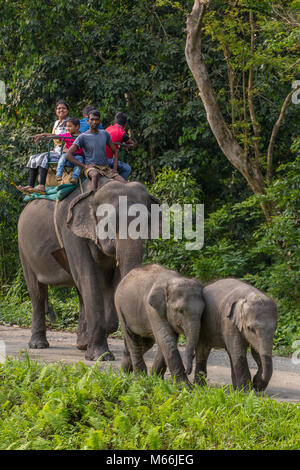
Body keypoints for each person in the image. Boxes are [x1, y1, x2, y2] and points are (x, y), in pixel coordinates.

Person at [17, 100, 70, 194]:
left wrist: (47, 136)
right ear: (56, 111)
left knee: (44, 157)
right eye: (58, 108)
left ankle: (42, 185)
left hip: (63, 151)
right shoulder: (57, 122)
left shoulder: (69, 123)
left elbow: (66, 136)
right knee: (33, 157)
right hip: (55, 150)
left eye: (63, 108)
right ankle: (30, 185)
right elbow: (53, 135)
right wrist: (42, 135)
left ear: (67, 110)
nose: (61, 110)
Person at [66, 110, 125, 192]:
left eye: (96, 119)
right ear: (88, 121)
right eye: (92, 119)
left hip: (105, 168)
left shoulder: (105, 134)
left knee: (123, 182)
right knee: (95, 175)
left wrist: (114, 168)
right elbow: (68, 155)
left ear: (99, 121)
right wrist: (84, 166)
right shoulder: (83, 136)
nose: (94, 122)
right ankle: (92, 195)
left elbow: (115, 150)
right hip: (91, 168)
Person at [105, 112, 134, 180]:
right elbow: (132, 144)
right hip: (108, 160)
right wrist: (127, 145)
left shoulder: (108, 128)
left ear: (115, 121)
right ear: (126, 124)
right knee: (127, 169)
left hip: (99, 158)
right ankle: (118, 183)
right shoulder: (122, 134)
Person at [55, 117, 84, 184]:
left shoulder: (82, 136)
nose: (67, 128)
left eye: (70, 126)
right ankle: (58, 174)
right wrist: (44, 134)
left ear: (77, 127)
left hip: (77, 156)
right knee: (62, 157)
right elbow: (56, 136)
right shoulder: (67, 135)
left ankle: (74, 177)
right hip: (68, 157)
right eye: (67, 126)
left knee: (80, 160)